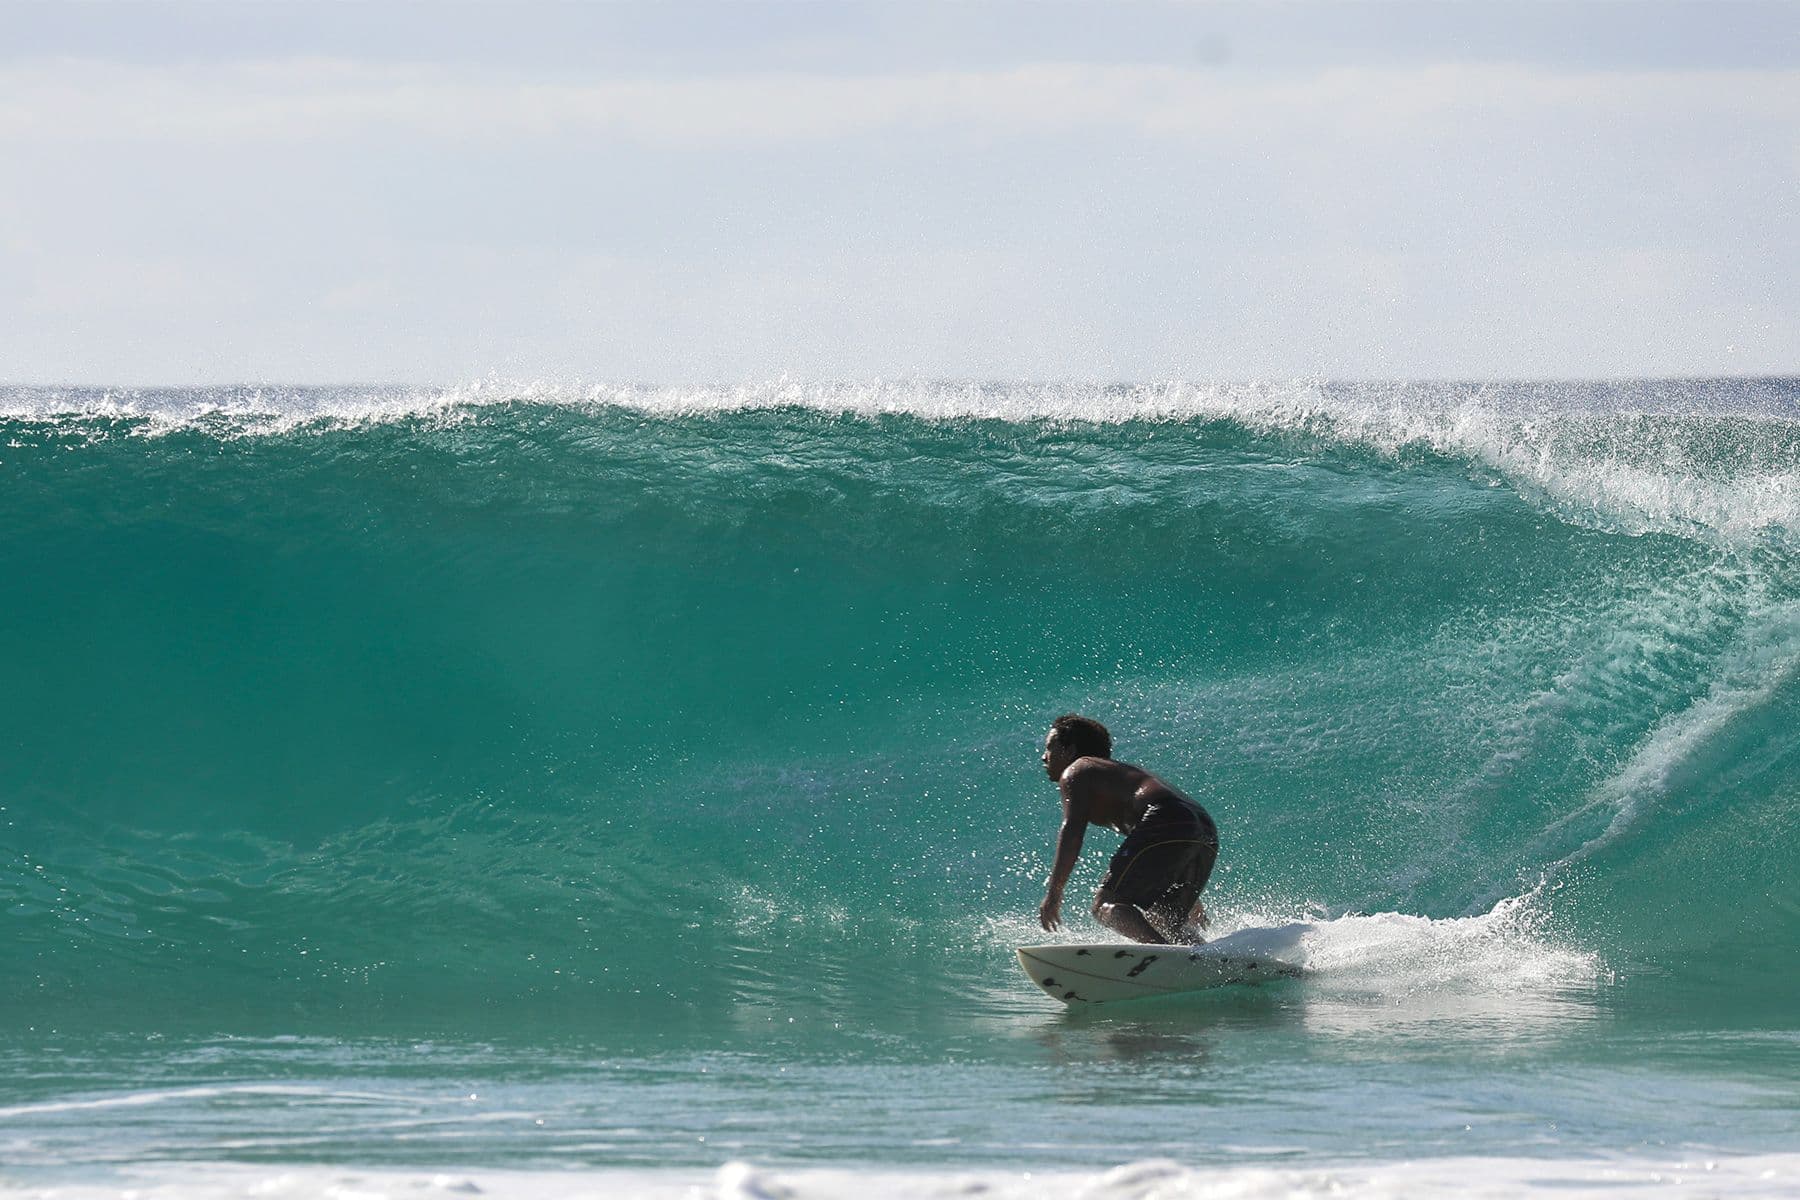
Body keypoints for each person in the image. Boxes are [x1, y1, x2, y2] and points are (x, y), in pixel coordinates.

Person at [1036, 714, 1218, 944]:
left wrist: (1054, 893)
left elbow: (1072, 831)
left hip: (1168, 818)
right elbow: (1174, 841)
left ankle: (1162, 957)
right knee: (1165, 919)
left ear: (1070, 750)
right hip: (1203, 828)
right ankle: (1208, 960)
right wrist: (1189, 896)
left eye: (1049, 748)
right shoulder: (1115, 775)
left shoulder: (1078, 770)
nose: (1044, 757)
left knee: (1105, 904)